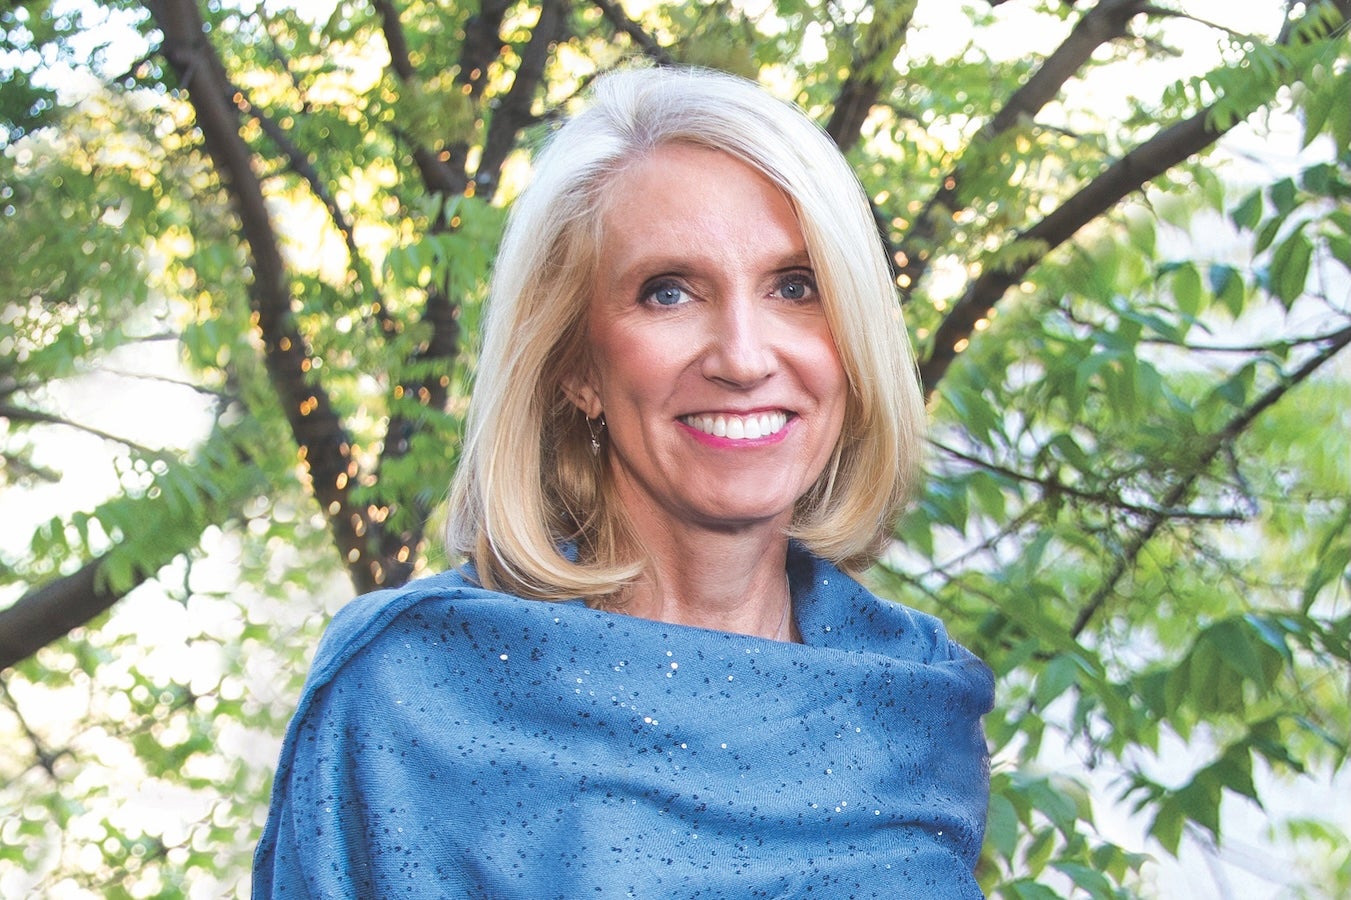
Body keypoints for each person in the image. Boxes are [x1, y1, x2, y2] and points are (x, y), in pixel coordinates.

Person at [254, 65, 994, 898]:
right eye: (668, 292)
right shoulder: (410, 692)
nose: (744, 357)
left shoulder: (914, 698)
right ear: (576, 366)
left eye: (796, 288)